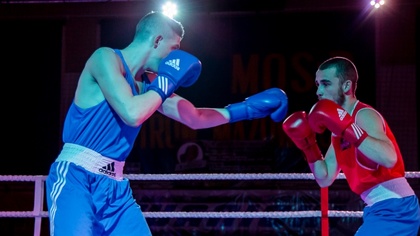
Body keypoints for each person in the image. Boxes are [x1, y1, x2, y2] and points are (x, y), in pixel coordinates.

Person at [45, 11, 288, 236]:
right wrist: (167, 80)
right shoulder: (105, 58)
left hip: (115, 188)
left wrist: (246, 110)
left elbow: (194, 117)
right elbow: (132, 112)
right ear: (157, 40)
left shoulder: (150, 84)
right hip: (75, 176)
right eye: (174, 48)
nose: (174, 57)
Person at [282, 56, 420, 235]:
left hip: (396, 208)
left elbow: (389, 157)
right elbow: (325, 177)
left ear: (346, 86)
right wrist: (308, 146)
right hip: (378, 209)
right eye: (318, 85)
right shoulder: (337, 131)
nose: (319, 91)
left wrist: (350, 130)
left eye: (326, 84)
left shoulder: (364, 115)